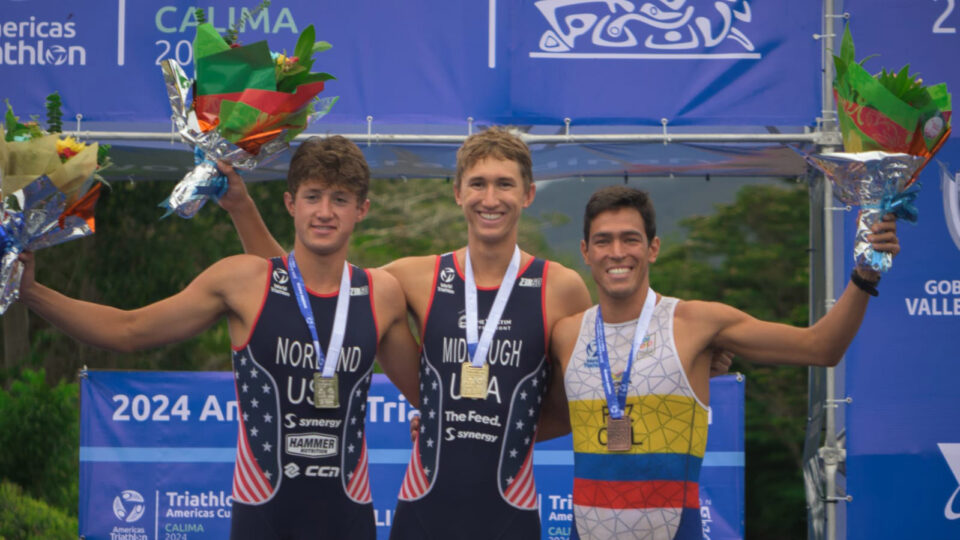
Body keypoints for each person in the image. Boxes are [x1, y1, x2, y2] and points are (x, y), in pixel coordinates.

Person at [222, 128, 731, 539]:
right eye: (480, 183)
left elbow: (596, 377)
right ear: (458, 192)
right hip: (421, 512)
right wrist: (243, 208)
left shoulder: (562, 288)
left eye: (505, 184)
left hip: (510, 511)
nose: (492, 198)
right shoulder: (410, 277)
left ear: (528, 194)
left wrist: (698, 357)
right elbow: (300, 285)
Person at [17, 136, 420, 540]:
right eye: (313, 196)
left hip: (347, 519)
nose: (325, 212)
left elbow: (429, 394)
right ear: (290, 204)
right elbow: (128, 330)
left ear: (362, 210)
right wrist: (32, 292)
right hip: (264, 518)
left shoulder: (379, 294)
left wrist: (431, 423)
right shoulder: (243, 281)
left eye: (341, 199)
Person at [550, 185, 900, 540]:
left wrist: (864, 275)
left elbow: (820, 347)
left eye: (630, 239)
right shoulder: (565, 335)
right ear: (585, 251)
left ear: (653, 248)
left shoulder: (696, 324)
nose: (617, 252)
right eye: (603, 241)